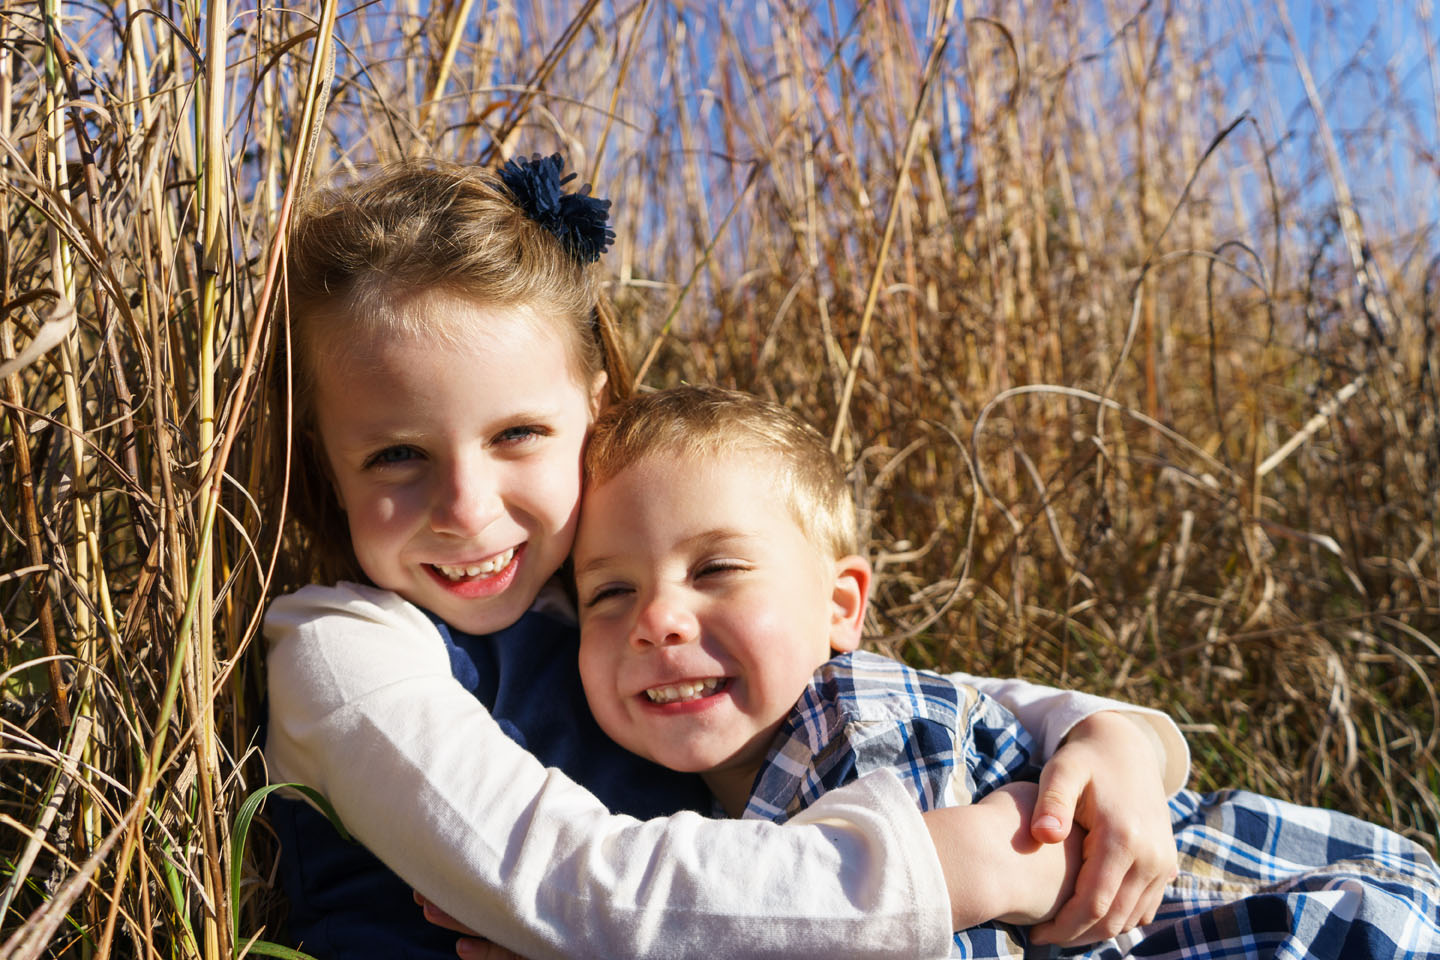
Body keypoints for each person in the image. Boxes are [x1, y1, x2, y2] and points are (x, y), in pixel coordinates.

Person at [262, 155, 1192, 960]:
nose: (467, 511)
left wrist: (1121, 740)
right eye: (395, 456)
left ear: (595, 410)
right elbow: (574, 887)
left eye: (518, 434)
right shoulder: (343, 650)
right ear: (325, 466)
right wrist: (979, 861)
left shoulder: (609, 594)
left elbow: (875, 688)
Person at [570, 385, 1440, 958]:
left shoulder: (864, 724)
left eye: (716, 570)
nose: (656, 621)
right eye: (609, 591)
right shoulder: (686, 793)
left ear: (841, 607)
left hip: (1331, 926)